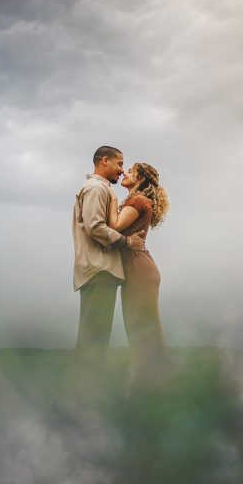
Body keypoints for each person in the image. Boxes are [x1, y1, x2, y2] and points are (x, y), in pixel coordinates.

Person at [107, 161, 172, 383]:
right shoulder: (136, 200)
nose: (125, 173)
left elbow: (114, 227)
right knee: (138, 327)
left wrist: (110, 197)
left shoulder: (138, 200)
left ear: (141, 178)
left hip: (139, 269)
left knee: (144, 328)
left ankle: (160, 379)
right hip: (137, 269)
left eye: (131, 171)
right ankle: (150, 379)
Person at [72, 146, 137, 358]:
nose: (122, 170)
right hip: (100, 269)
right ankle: (88, 377)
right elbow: (95, 227)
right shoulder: (96, 189)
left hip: (98, 270)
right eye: (119, 164)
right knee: (94, 336)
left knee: (95, 335)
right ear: (104, 161)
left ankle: (89, 376)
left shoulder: (98, 188)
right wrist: (127, 242)